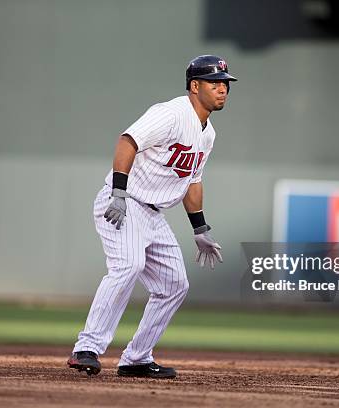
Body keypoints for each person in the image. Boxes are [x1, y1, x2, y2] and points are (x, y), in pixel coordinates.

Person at [67, 55, 237, 379]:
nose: (222, 89)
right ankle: (87, 347)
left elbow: (192, 180)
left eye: (225, 84)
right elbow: (127, 141)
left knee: (175, 285)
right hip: (124, 202)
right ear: (194, 85)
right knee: (128, 265)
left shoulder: (208, 134)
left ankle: (136, 358)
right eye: (215, 82)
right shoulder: (171, 114)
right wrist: (118, 191)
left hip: (154, 215)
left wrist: (200, 228)